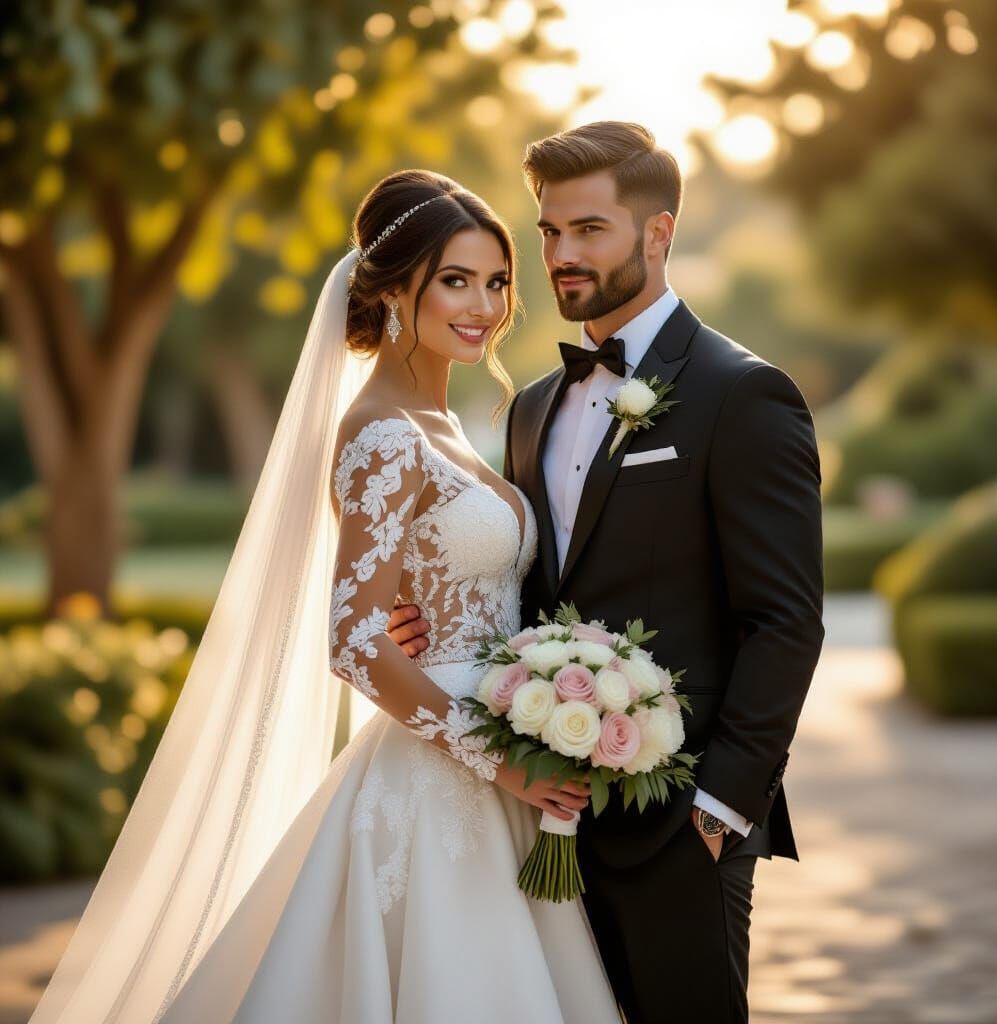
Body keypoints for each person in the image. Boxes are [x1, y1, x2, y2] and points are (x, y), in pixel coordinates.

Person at [29, 170, 621, 1024]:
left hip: (497, 758)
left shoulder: (447, 426)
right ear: (391, 289)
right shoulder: (383, 433)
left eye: (496, 282)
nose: (483, 305)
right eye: (454, 280)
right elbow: (351, 642)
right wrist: (503, 762)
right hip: (445, 777)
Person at [389, 122, 826, 1023]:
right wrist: (430, 624)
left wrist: (716, 812)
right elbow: (525, 582)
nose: (561, 255)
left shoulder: (743, 393)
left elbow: (786, 620)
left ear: (657, 234)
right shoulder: (531, 408)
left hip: (678, 825)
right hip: (542, 819)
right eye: (550, 232)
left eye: (589, 229)